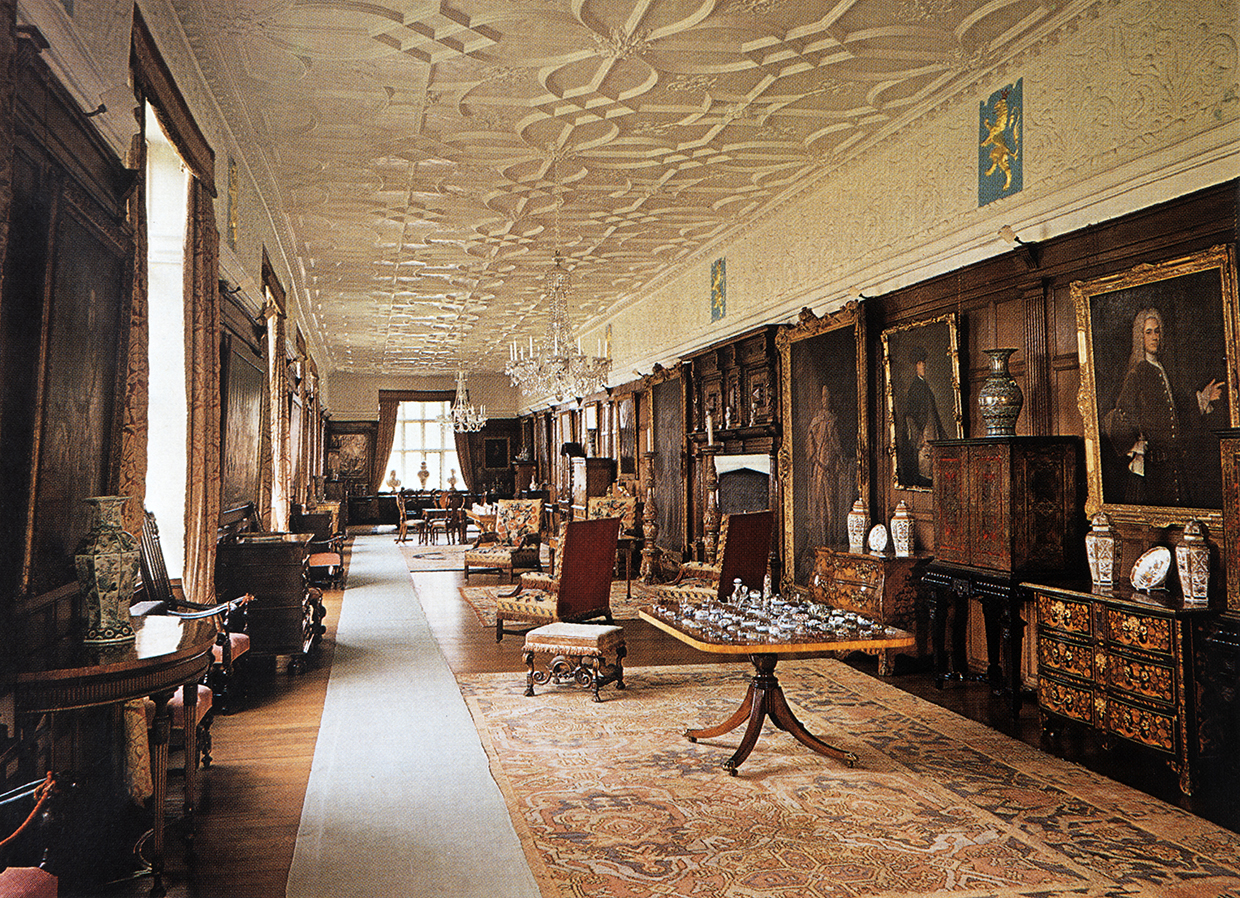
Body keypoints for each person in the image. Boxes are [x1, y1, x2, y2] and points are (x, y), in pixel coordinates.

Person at [1103, 307, 1224, 508]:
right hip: (1152, 470)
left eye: (1157, 331)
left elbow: (1175, 410)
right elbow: (1118, 415)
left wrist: (1203, 399)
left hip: (1172, 465)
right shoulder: (1138, 372)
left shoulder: (1161, 368)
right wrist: (1134, 446)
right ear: (1139, 336)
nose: (1154, 337)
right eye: (1148, 332)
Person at [807, 384, 853, 557]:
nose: (826, 401)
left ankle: (830, 541)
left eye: (828, 398)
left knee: (830, 506)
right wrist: (816, 460)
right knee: (821, 506)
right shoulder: (818, 421)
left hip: (830, 469)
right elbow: (810, 444)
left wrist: (840, 458)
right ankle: (822, 541)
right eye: (824, 398)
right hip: (821, 469)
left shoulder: (831, 421)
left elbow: (836, 444)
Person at [899, 346, 944, 488]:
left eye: (924, 364)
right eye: (920, 364)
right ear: (915, 367)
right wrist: (918, 432)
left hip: (931, 429)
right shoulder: (915, 387)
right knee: (924, 462)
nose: (923, 367)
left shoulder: (924, 385)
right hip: (923, 431)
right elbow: (911, 413)